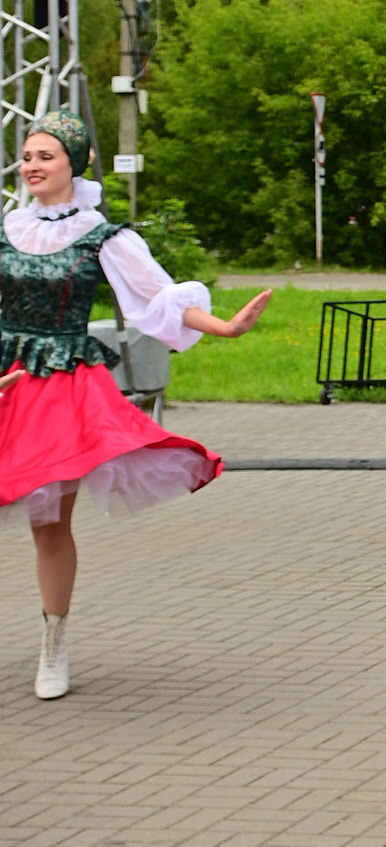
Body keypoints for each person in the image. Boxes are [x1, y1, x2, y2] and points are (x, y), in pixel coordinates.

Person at [0, 109, 272, 698]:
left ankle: (54, 642)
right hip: (5, 375)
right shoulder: (8, 227)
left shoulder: (104, 235)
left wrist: (224, 328)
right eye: (26, 156)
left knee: (49, 522)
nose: (32, 167)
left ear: (77, 163)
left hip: (57, 385)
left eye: (45, 156)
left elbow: (156, 296)